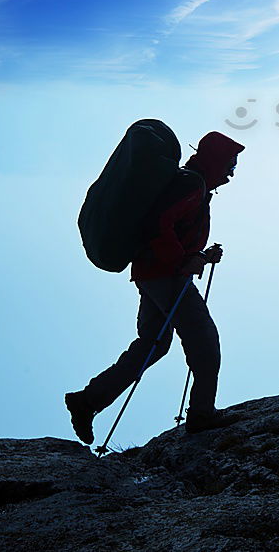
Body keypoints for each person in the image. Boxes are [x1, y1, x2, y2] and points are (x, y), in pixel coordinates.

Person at [65, 130, 245, 444]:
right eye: (229, 166)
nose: (230, 176)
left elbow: (165, 227)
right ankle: (202, 415)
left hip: (151, 274)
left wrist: (197, 257)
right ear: (216, 162)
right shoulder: (192, 185)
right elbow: (158, 226)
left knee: (153, 344)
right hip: (166, 275)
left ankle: (87, 401)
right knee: (204, 341)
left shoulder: (189, 183)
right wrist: (182, 262)